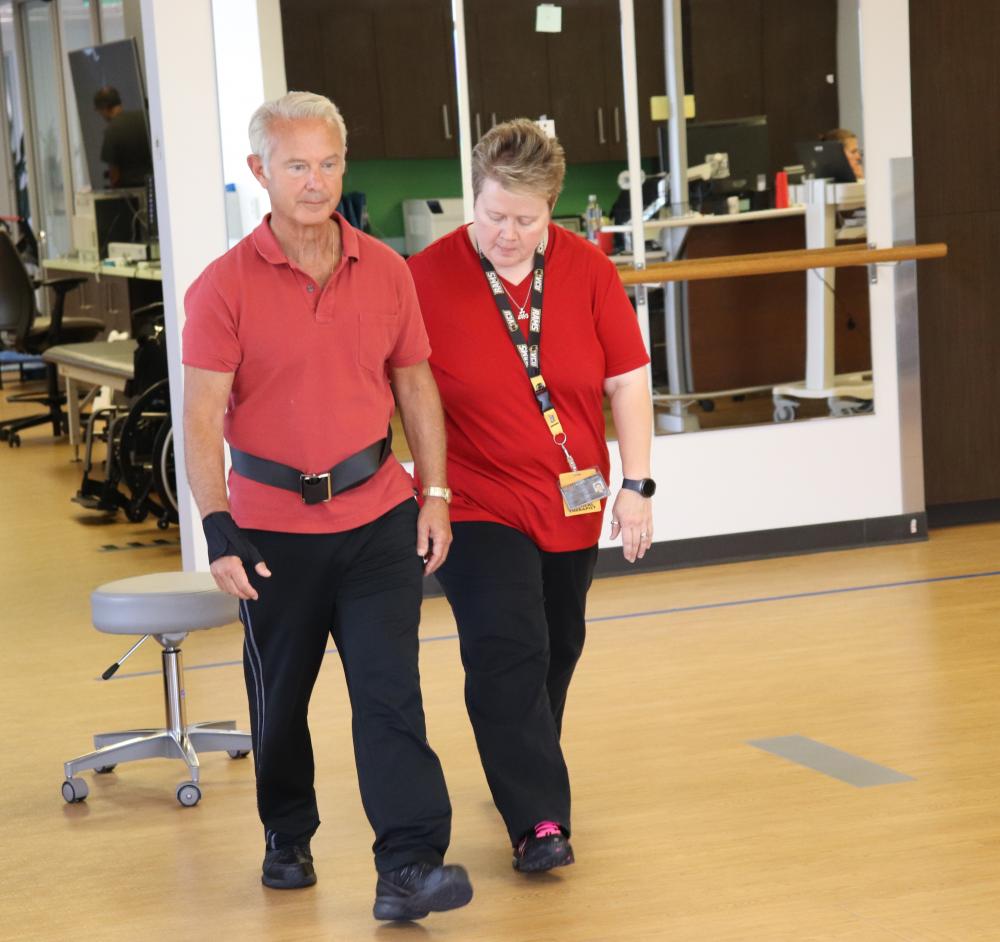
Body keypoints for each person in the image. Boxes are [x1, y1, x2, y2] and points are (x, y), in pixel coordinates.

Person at [182, 91, 472, 922]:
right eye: (296, 165)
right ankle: (288, 832)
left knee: (391, 694)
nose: (315, 182)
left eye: (329, 163)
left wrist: (435, 493)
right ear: (260, 173)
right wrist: (216, 523)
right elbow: (202, 418)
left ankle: (409, 865)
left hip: (378, 512)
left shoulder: (385, 271)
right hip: (271, 527)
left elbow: (414, 382)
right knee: (283, 698)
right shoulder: (223, 288)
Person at [407, 119, 655, 874]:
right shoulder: (422, 278)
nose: (507, 235)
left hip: (571, 498)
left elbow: (627, 380)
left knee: (558, 644)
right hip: (474, 496)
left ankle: (520, 760)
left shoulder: (587, 271)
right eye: (492, 217)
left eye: (526, 220)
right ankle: (539, 821)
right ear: (470, 199)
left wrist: (638, 484)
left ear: (554, 208)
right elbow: (396, 386)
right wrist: (426, 491)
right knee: (508, 647)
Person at [93, 86, 152, 188]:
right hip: (154, 188)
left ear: (105, 108)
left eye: (100, 112)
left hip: (131, 195)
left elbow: (114, 175)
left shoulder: (112, 130)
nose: (101, 116)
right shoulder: (145, 118)